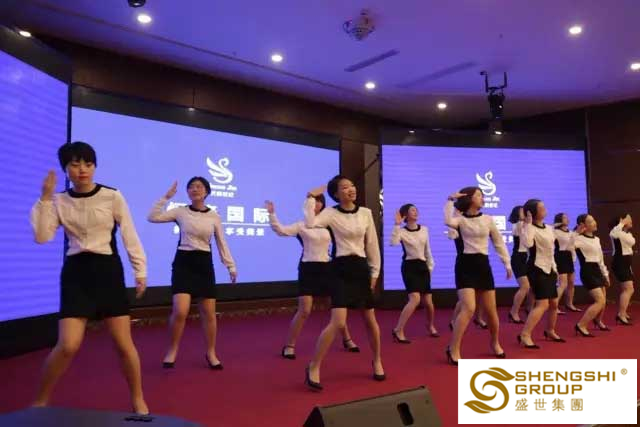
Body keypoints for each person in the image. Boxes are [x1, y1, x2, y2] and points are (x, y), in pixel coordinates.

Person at [30, 142, 149, 415]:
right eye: (74, 164)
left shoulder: (112, 196)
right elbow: (42, 236)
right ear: (65, 169)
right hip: (76, 274)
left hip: (108, 271)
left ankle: (138, 398)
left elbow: (129, 234)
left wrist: (140, 270)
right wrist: (45, 198)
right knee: (68, 345)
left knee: (123, 345)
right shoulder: (58, 201)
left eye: (87, 163)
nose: (82, 169)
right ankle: (40, 400)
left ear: (95, 166)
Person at [304, 175, 384, 390]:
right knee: (338, 322)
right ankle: (314, 366)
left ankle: (377, 361)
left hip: (361, 269)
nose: (351, 189)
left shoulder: (365, 213)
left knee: (370, 320)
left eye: (352, 185)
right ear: (336, 194)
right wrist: (310, 198)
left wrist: (375, 274)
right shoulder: (330, 213)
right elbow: (310, 223)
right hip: (340, 269)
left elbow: (372, 245)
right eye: (345, 187)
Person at [148, 178, 236, 370]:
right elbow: (152, 217)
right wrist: (166, 197)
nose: (195, 189)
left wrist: (230, 266)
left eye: (199, 187)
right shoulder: (180, 211)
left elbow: (221, 242)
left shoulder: (214, 216)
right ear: (187, 192)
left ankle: (211, 352)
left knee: (209, 313)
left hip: (204, 264)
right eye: (191, 187)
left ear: (206, 192)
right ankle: (172, 349)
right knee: (180, 311)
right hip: (184, 262)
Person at [265, 197, 360, 359]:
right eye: (313, 201)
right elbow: (281, 230)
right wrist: (272, 214)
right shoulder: (301, 225)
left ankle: (347, 339)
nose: (316, 204)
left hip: (328, 268)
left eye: (319, 201)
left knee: (337, 306)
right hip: (308, 269)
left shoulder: (328, 225)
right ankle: (289, 346)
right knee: (305, 310)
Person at [444, 187, 512, 365]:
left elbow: (498, 242)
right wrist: (450, 200)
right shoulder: (459, 220)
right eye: (479, 195)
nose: (482, 198)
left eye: (482, 195)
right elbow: (448, 221)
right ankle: (453, 348)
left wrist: (507, 263)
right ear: (469, 198)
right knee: (469, 308)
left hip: (483, 266)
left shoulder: (488, 219)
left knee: (491, 311)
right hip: (465, 265)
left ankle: (495, 342)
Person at [390, 203, 438, 342]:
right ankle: (398, 330)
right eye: (412, 210)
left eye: (416, 210)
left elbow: (427, 251)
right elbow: (393, 242)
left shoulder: (424, 229)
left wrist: (430, 268)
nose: (416, 212)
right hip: (409, 267)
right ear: (405, 214)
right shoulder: (401, 231)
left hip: (423, 266)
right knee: (415, 299)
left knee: (428, 302)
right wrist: (397, 225)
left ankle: (430, 325)